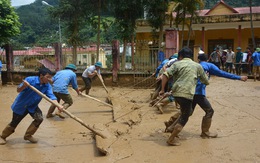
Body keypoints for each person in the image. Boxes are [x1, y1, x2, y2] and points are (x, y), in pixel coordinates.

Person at [159, 47, 209, 146]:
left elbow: (165, 75)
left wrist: (162, 90)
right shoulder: (197, 66)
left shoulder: (177, 64)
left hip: (176, 93)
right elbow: (205, 81)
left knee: (186, 111)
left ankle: (170, 127)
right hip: (187, 94)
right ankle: (171, 139)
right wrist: (205, 76)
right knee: (184, 118)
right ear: (191, 56)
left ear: (181, 56)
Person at [0, 68, 61, 145]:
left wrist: (58, 105)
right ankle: (2, 136)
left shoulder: (47, 86)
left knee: (39, 119)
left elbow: (52, 96)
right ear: (41, 76)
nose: (49, 79)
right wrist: (24, 86)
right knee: (14, 123)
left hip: (33, 106)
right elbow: (18, 90)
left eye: (50, 77)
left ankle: (28, 135)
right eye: (48, 77)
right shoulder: (30, 80)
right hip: (21, 105)